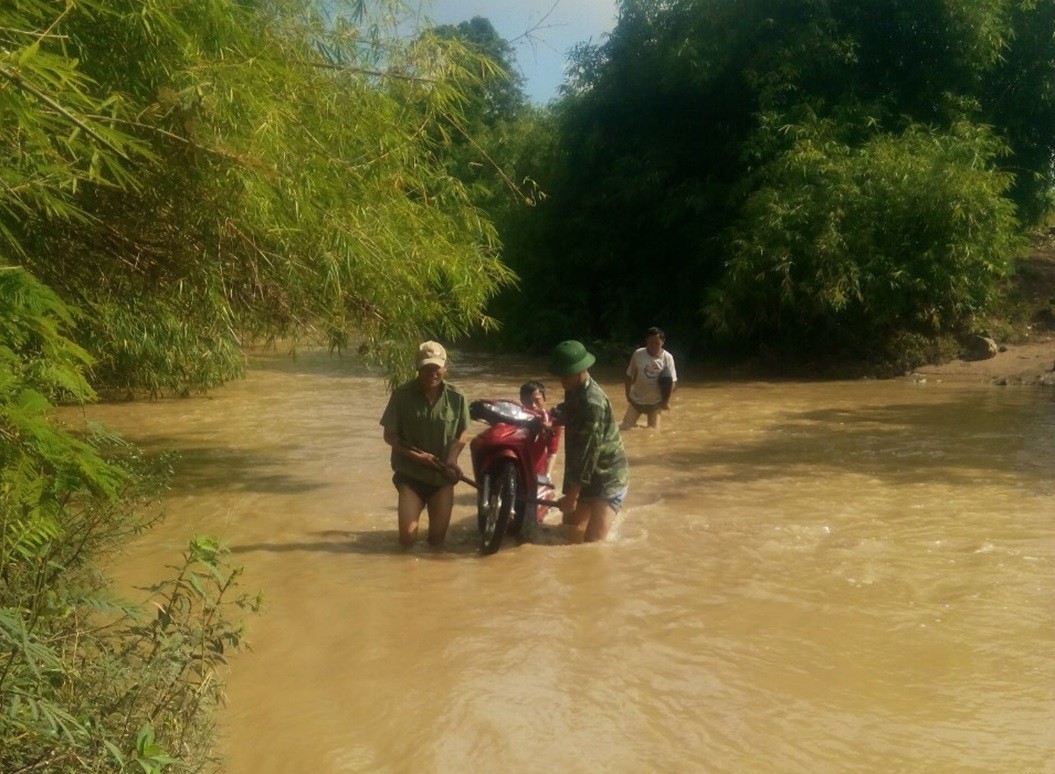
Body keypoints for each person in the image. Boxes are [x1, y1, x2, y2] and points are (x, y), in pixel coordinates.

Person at [379, 341, 469, 547]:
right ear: (417, 368)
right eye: (426, 368)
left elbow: (462, 433)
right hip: (410, 477)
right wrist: (417, 457)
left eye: (436, 368)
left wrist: (452, 459)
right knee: (407, 540)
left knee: (437, 541)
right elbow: (389, 436)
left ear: (445, 368)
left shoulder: (457, 397)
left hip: (442, 477)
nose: (432, 373)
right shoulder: (402, 396)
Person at [547, 340, 629, 543]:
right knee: (567, 531)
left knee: (592, 544)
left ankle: (608, 509)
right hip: (586, 478)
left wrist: (572, 496)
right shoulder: (574, 388)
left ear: (579, 371)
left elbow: (587, 453)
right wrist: (549, 418)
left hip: (607, 478)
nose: (561, 381)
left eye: (565, 375)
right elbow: (569, 410)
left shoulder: (593, 403)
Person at [519, 380, 561, 531]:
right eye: (528, 402)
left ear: (545, 400)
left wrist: (547, 476)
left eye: (537, 401)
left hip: (537, 474)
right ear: (521, 402)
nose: (534, 407)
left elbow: (553, 451)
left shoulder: (553, 421)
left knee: (534, 519)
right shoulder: (515, 418)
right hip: (515, 471)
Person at [621, 326, 678, 430]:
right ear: (646, 341)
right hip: (636, 400)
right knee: (625, 428)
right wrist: (627, 394)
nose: (653, 346)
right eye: (651, 342)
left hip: (656, 403)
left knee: (653, 433)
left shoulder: (667, 357)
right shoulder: (638, 354)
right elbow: (629, 375)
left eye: (657, 343)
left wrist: (666, 401)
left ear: (663, 342)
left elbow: (672, 382)